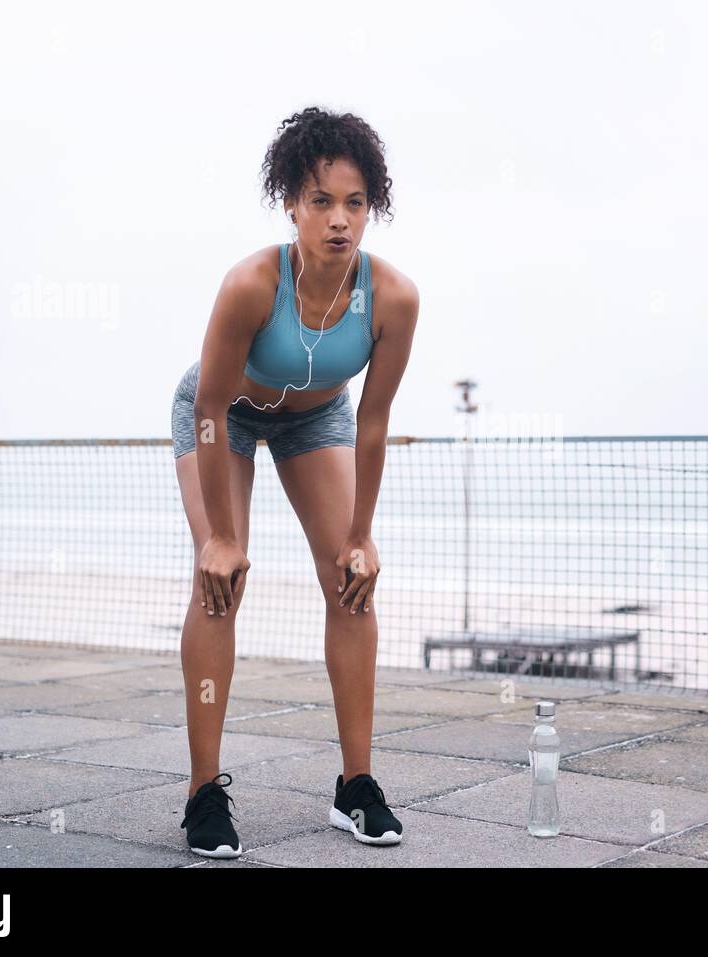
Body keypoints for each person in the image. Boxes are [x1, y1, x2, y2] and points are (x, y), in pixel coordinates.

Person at [170, 107, 419, 856]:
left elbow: (372, 424)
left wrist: (362, 535)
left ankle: (356, 786)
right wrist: (219, 535)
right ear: (292, 204)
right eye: (321, 201)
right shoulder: (252, 284)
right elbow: (210, 406)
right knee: (222, 580)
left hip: (318, 420)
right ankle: (204, 793)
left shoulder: (395, 299)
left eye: (354, 202)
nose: (339, 220)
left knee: (350, 577)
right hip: (227, 416)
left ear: (370, 206)